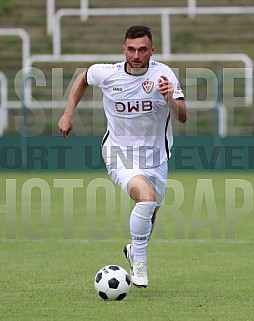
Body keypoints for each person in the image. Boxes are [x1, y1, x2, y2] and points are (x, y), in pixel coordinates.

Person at [58, 25, 187, 288]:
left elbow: (182, 116)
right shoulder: (108, 74)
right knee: (146, 198)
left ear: (152, 50)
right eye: (131, 49)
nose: (136, 54)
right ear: (123, 49)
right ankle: (139, 263)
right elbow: (83, 78)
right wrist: (68, 113)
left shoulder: (164, 75)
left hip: (156, 157)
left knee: (150, 210)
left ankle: (133, 249)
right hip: (119, 153)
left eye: (142, 49)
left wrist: (169, 98)